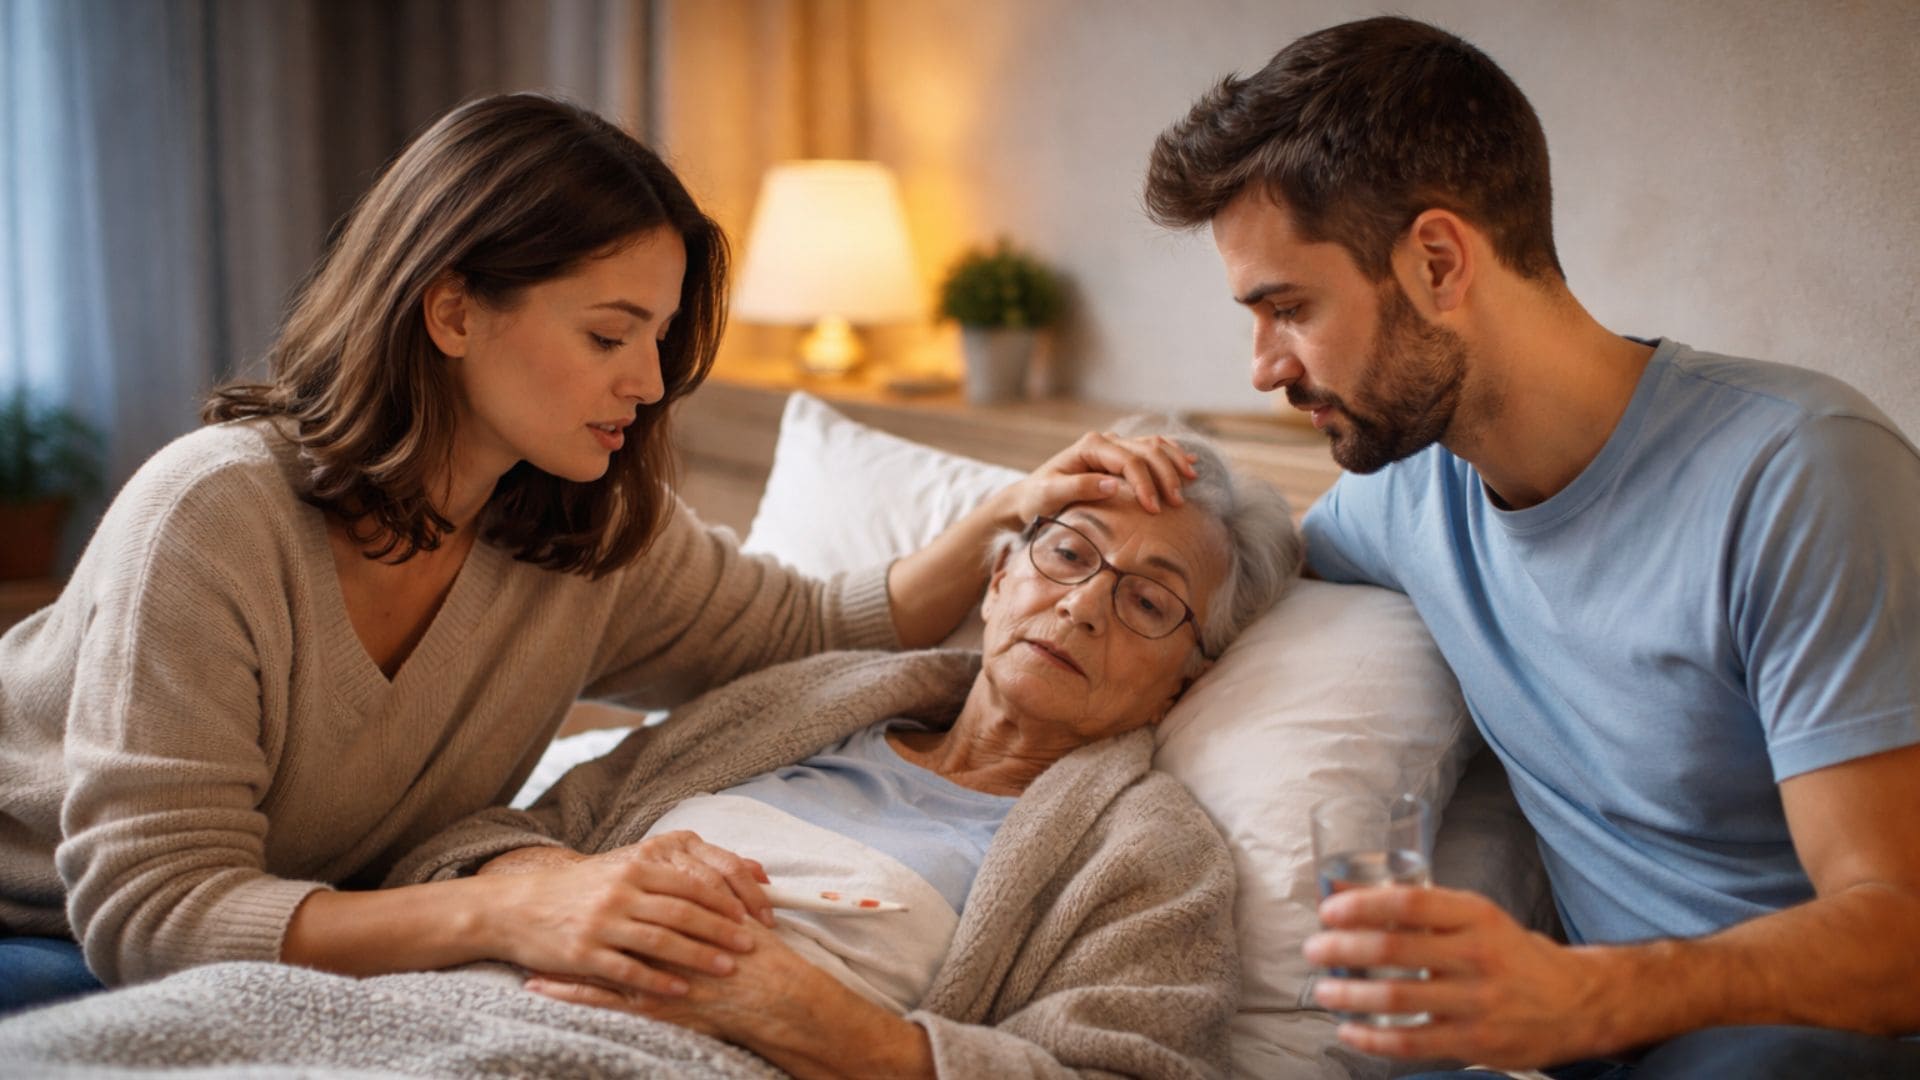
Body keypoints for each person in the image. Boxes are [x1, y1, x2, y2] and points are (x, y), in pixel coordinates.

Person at [0, 92, 1194, 1016]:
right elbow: (153, 912)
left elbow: (805, 630)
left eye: (661, 338)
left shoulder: (578, 534)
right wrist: (518, 907)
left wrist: (1008, 520)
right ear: (454, 310)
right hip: (44, 927)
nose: (649, 381)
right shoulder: (217, 513)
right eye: (609, 333)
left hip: (268, 947)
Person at [0, 432, 1303, 1080]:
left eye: (1147, 600)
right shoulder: (798, 703)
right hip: (428, 996)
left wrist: (805, 1015)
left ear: (1193, 668)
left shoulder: (1152, 853)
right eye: (1070, 551)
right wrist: (555, 900)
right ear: (1002, 568)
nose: (1083, 603)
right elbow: (466, 847)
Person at [1144, 14, 1920, 1079]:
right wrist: (1080, 506)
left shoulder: (1800, 474)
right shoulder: (1410, 494)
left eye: (1288, 308)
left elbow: (1900, 936)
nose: (1263, 369)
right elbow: (1245, 560)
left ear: (1436, 262)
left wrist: (1587, 997)